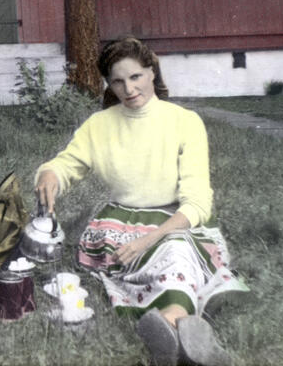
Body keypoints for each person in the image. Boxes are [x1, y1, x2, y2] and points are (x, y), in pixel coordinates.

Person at [34, 37, 248, 366]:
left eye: (135, 77)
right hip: (117, 226)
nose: (129, 89)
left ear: (152, 72)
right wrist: (50, 174)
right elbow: (67, 164)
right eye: (117, 81)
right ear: (109, 84)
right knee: (172, 259)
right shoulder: (99, 125)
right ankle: (185, 331)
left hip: (173, 222)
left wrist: (150, 238)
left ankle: (170, 326)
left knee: (176, 250)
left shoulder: (185, 121)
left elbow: (198, 202)